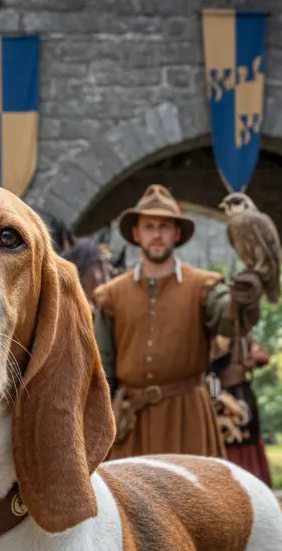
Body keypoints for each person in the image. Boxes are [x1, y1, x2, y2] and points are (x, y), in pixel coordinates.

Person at [93, 184, 263, 460]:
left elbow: (230, 321)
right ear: (136, 234)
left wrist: (243, 299)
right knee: (128, 500)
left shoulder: (204, 286)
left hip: (188, 417)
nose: (157, 234)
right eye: (149, 227)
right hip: (131, 420)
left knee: (195, 502)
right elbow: (101, 367)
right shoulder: (112, 295)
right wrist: (100, 422)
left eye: (164, 226)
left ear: (177, 233)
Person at [211, 334, 273, 487]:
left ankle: (251, 487)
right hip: (219, 396)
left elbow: (262, 356)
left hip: (241, 395)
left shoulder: (243, 336)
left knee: (245, 440)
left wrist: (251, 358)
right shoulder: (215, 336)